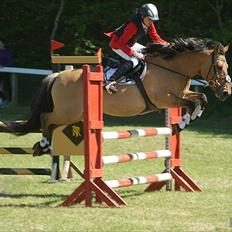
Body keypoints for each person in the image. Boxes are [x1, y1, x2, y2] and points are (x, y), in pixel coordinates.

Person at [104, 3, 169, 93]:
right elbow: (121, 43)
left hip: (130, 44)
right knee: (135, 61)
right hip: (117, 45)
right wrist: (135, 53)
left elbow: (155, 37)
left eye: (153, 20)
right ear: (142, 16)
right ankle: (110, 81)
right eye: (150, 19)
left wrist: (168, 45)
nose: (151, 22)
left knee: (148, 53)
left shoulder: (149, 23)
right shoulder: (133, 26)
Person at [0, 40, 15, 106]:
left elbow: (11, 62)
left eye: (0, 43)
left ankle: (7, 101)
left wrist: (3, 66)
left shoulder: (7, 53)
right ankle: (3, 100)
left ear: (3, 44)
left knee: (5, 87)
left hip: (5, 73)